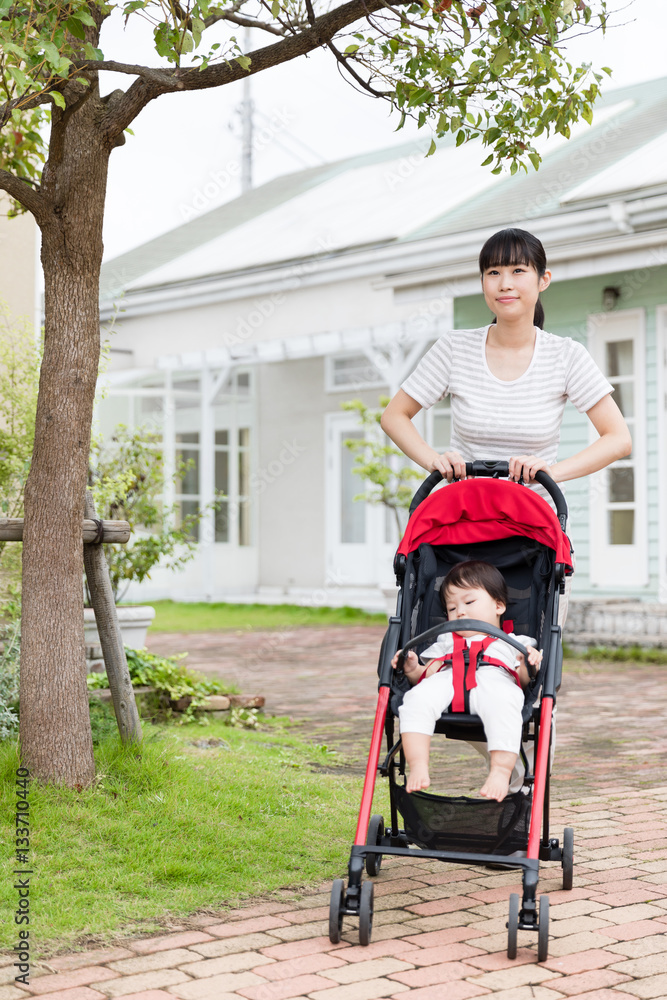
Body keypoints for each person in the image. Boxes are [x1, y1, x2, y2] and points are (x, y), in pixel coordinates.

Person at [380, 227, 632, 495]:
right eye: (493, 273)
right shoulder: (454, 348)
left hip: (533, 525)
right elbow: (394, 416)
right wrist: (434, 460)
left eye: (518, 271)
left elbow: (619, 439)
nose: (505, 284)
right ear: (482, 282)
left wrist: (550, 473)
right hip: (464, 518)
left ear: (543, 279)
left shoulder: (566, 355)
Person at [393, 560, 542, 801]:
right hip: (448, 678)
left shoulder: (515, 641)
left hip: (495, 682)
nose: (460, 612)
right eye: (451, 609)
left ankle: (501, 771)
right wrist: (412, 668)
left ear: (499, 605)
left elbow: (524, 680)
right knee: (414, 699)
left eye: (469, 602)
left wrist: (529, 664)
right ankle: (418, 763)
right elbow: (427, 674)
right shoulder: (444, 640)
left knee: (506, 703)